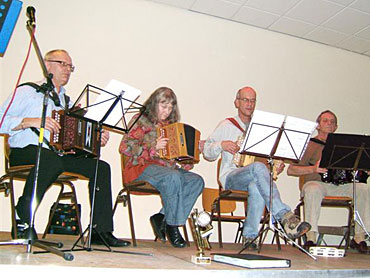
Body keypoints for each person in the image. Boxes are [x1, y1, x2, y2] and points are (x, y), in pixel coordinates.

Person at [0, 49, 130, 247]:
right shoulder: (28, 91)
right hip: (23, 150)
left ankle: (99, 231)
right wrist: (30, 121)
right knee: (49, 160)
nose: (68, 70)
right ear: (47, 65)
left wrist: (95, 136)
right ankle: (23, 217)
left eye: (70, 67)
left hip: (54, 156)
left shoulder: (66, 102)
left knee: (100, 167)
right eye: (63, 64)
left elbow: (72, 137)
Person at [202, 86, 311, 249]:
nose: (249, 104)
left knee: (256, 185)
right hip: (231, 177)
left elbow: (267, 157)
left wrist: (274, 166)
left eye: (253, 100)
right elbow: (207, 152)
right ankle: (284, 216)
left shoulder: (262, 129)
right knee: (259, 168)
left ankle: (249, 236)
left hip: (253, 176)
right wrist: (221, 145)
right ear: (236, 102)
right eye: (245, 100)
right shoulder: (227, 125)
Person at [119, 87, 204, 248]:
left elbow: (174, 155)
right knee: (173, 177)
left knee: (196, 181)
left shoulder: (172, 127)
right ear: (154, 103)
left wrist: (187, 158)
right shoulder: (140, 119)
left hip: (166, 168)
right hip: (141, 167)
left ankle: (162, 218)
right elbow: (125, 147)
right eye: (163, 106)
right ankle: (173, 226)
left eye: (170, 107)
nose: (167, 111)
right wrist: (153, 147)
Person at [287, 110, 369, 253]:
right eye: (325, 121)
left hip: (342, 185)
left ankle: (359, 237)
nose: (329, 124)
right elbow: (291, 170)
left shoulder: (345, 146)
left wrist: (364, 169)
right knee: (312, 189)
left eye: (332, 122)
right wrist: (313, 169)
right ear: (318, 125)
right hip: (318, 184)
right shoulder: (310, 144)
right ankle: (311, 237)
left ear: (336, 127)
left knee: (363, 188)